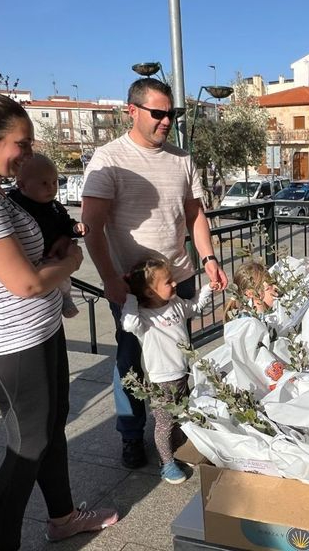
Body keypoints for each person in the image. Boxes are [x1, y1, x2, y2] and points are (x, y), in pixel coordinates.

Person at [0, 92, 118, 550]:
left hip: (37, 330)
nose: (29, 155)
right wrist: (70, 261)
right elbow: (26, 284)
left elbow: (26, 257)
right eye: (23, 145)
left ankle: (64, 517)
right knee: (26, 446)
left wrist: (55, 249)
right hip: (12, 341)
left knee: (50, 428)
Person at [82, 77, 228, 470]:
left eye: (172, 114)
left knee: (176, 357)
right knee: (131, 359)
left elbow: (195, 214)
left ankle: (176, 429)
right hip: (133, 287)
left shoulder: (182, 158)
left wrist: (209, 258)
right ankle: (132, 436)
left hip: (179, 277)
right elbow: (91, 225)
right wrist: (111, 278)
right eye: (158, 113)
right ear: (132, 110)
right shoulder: (109, 158)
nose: (167, 121)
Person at [121, 256, 212, 484]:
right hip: (161, 380)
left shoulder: (177, 304)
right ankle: (166, 462)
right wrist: (130, 295)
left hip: (182, 373)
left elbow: (196, 307)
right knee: (164, 422)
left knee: (181, 414)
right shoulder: (143, 317)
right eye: (168, 282)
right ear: (150, 291)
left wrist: (209, 287)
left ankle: (179, 448)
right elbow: (128, 324)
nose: (174, 284)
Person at [8, 153, 87, 318]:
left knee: (63, 279)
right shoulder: (15, 205)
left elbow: (66, 223)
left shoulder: (55, 206)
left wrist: (76, 228)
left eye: (54, 182)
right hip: (32, 261)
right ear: (22, 185)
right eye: (43, 183)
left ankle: (66, 298)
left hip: (53, 256)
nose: (51, 188)